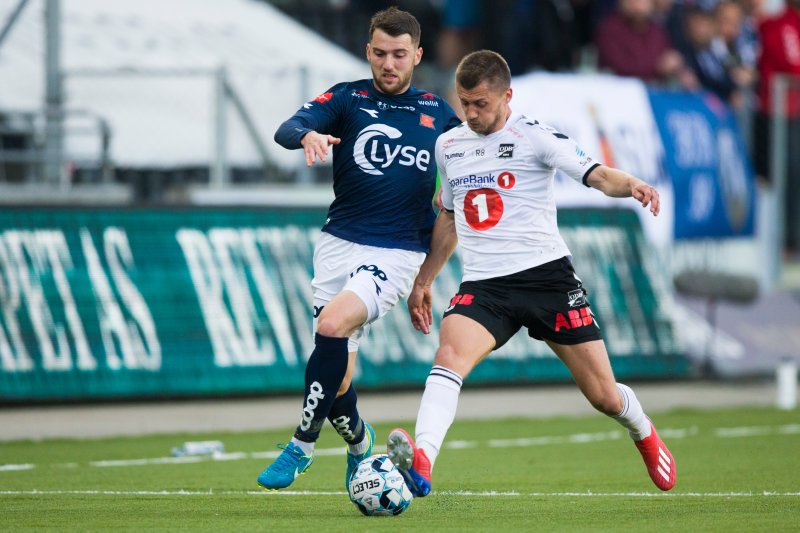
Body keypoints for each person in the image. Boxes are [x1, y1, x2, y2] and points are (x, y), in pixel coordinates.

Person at [386, 50, 677, 497]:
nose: (471, 113)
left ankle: (641, 428)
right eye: (464, 102)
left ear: (507, 96)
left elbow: (597, 175)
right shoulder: (449, 146)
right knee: (448, 358)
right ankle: (423, 460)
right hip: (485, 287)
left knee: (603, 395)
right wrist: (424, 281)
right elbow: (447, 218)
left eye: (480, 103)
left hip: (548, 281)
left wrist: (632, 185)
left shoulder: (534, 136)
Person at [259, 6, 460, 491]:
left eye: (399, 55)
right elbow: (285, 129)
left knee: (331, 325)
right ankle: (359, 442)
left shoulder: (440, 116)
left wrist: (424, 281)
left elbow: (454, 208)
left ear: (417, 55)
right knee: (338, 375)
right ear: (368, 52)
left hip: (394, 253)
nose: (388, 64)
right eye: (380, 54)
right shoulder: (347, 99)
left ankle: (300, 446)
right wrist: (307, 133)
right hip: (336, 244)